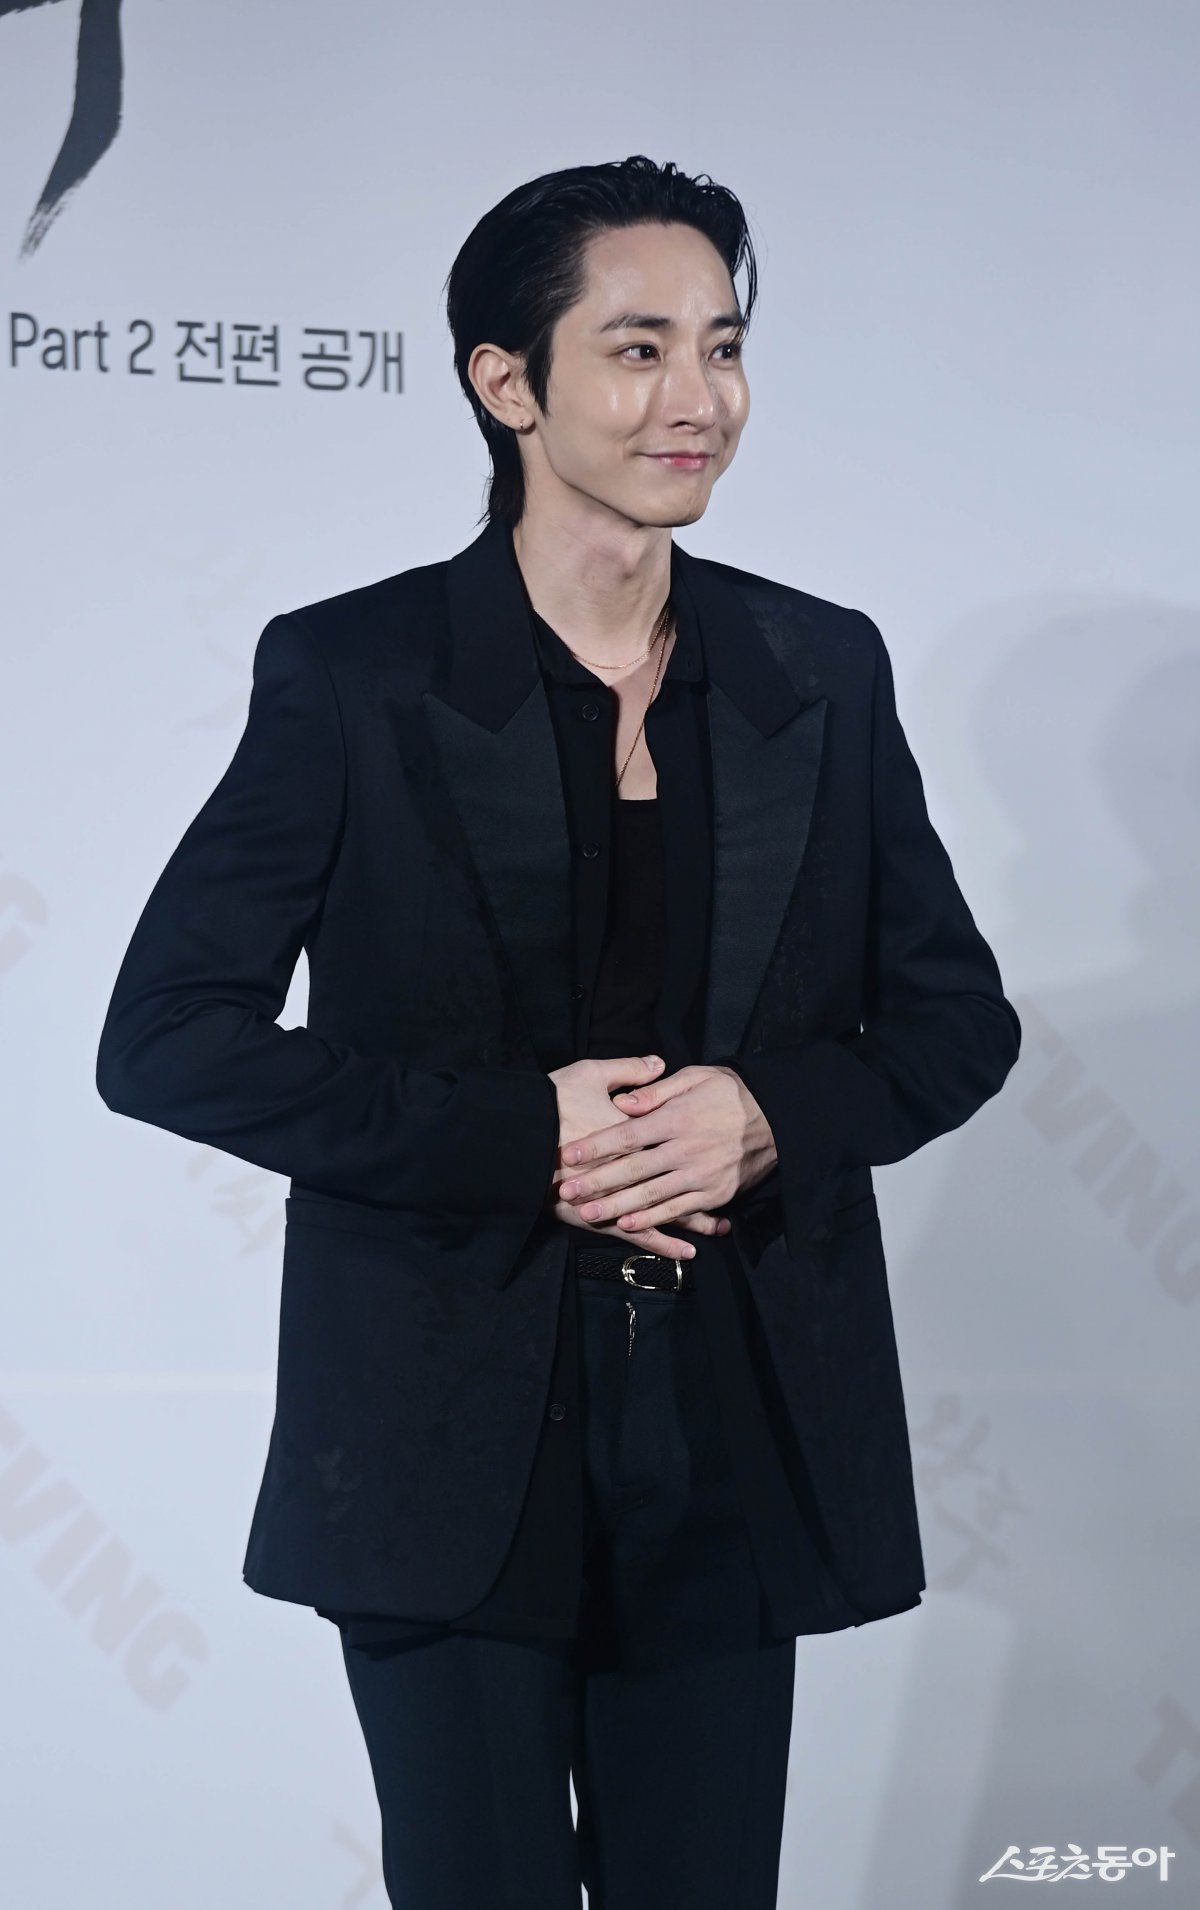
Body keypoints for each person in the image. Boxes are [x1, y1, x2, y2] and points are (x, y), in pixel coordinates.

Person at [95, 154, 1022, 1908]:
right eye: (640, 347)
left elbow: (955, 1021)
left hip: (737, 1424)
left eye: (725, 347)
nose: (701, 398)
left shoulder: (820, 666)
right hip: (445, 1438)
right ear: (506, 382)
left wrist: (770, 1113)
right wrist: (524, 1135)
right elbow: (166, 1036)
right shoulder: (356, 672)